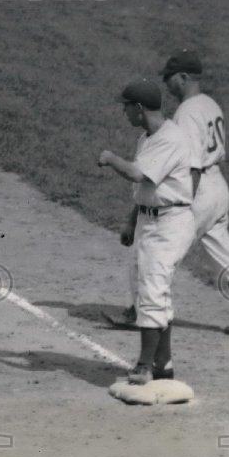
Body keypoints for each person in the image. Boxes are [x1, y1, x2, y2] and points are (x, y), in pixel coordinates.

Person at [110, 52, 229, 336]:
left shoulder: (187, 113)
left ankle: (139, 312)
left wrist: (183, 204)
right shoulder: (211, 104)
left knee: (150, 249)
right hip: (219, 189)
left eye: (170, 78)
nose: (166, 84)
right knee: (225, 255)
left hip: (196, 190)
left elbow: (189, 164)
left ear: (184, 77)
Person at [98, 79, 195, 385]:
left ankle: (144, 365)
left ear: (139, 109)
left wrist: (111, 158)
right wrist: (131, 220)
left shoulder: (170, 139)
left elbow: (137, 173)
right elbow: (146, 185)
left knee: (152, 289)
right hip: (149, 219)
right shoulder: (148, 137)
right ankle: (163, 364)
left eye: (126, 107)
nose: (123, 112)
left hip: (170, 223)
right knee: (145, 290)